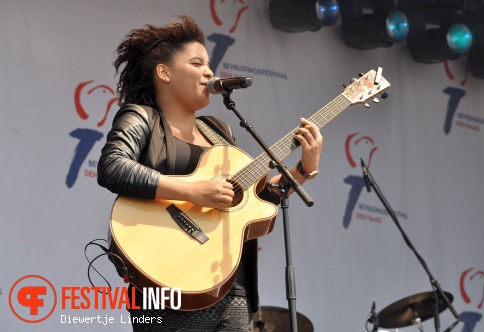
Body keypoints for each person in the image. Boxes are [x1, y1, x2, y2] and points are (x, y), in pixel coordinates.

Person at [97, 15, 323, 332]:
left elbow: (257, 200)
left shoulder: (218, 130)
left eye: (209, 64)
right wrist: (193, 191)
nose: (209, 72)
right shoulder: (142, 117)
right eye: (197, 63)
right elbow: (112, 167)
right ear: (164, 72)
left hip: (232, 286)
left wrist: (304, 168)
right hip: (165, 281)